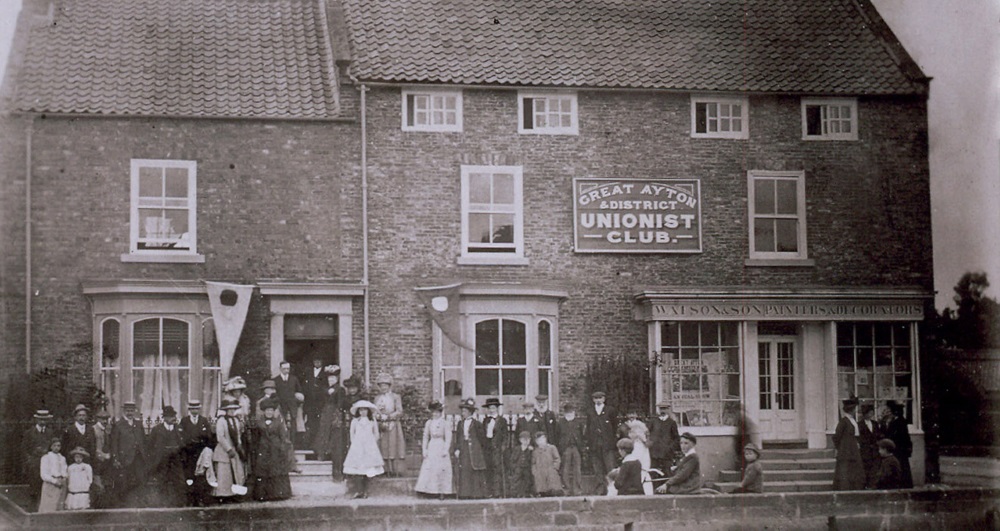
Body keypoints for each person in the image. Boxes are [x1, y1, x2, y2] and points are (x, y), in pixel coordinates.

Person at [251, 398, 293, 501]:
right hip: (263, 450)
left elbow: (283, 437)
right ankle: (262, 495)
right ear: (263, 411)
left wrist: (282, 449)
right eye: (267, 410)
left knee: (276, 470)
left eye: (271, 410)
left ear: (274, 412)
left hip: (276, 450)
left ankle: (278, 494)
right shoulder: (258, 423)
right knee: (263, 471)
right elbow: (255, 438)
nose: (269, 412)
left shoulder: (278, 423)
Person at [342, 399, 384, 499]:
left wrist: (371, 443)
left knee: (369, 469)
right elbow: (352, 434)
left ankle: (366, 491)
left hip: (369, 447)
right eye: (361, 410)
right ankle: (359, 491)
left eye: (365, 410)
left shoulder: (372, 421)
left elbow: (376, 434)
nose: (363, 412)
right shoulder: (355, 421)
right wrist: (356, 444)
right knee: (358, 469)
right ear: (358, 412)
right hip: (358, 447)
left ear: (368, 411)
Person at [109, 401, 146, 507]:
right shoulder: (118, 425)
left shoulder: (138, 424)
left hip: (138, 457)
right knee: (124, 480)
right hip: (125, 457)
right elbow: (114, 443)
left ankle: (140, 502)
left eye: (132, 410)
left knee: (141, 479)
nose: (130, 413)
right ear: (124, 411)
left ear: (135, 411)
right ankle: (124, 503)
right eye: (128, 410)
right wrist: (115, 458)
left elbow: (143, 439)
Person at [178, 399, 215, 507]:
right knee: (190, 476)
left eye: (196, 409)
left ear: (199, 410)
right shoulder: (184, 421)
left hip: (201, 452)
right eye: (192, 409)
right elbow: (182, 437)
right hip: (189, 453)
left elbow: (208, 436)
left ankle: (200, 499)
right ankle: (190, 500)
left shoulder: (204, 421)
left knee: (200, 477)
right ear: (189, 410)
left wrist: (202, 443)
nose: (194, 411)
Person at [414, 401, 454, 498]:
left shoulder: (445, 423)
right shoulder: (429, 423)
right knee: (429, 468)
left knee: (441, 468)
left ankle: (442, 491)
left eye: (437, 412)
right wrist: (424, 449)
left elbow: (448, 437)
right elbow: (425, 437)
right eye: (433, 412)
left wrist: (445, 449)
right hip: (432, 445)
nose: (434, 414)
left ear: (440, 413)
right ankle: (428, 490)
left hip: (440, 445)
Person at [148, 406, 186, 506]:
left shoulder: (178, 429)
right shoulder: (157, 430)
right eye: (169, 416)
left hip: (176, 460)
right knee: (162, 482)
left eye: (173, 416)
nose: (173, 418)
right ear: (164, 418)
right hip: (162, 461)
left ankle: (179, 504)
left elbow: (183, 444)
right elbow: (150, 446)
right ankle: (162, 505)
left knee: (179, 482)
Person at [452, 398, 487, 499]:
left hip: (475, 449)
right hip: (464, 448)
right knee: (465, 470)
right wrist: (457, 449)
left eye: (465, 411)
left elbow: (482, 438)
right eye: (462, 411)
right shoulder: (460, 424)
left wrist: (480, 449)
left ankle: (476, 494)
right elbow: (458, 437)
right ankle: (464, 493)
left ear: (470, 412)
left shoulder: (477, 424)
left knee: (475, 470)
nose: (463, 413)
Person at [213, 397, 248, 500]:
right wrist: (228, 449)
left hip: (235, 449)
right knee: (225, 474)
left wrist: (239, 445)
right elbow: (220, 437)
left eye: (233, 409)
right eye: (229, 409)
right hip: (224, 450)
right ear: (226, 410)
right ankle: (223, 495)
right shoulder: (221, 421)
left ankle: (235, 495)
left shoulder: (236, 421)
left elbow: (238, 435)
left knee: (237, 472)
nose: (232, 411)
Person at [315, 366, 347, 478]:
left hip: (334, 412)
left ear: (337, 379)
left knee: (334, 434)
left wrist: (337, 414)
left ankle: (334, 460)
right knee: (323, 432)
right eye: (329, 379)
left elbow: (340, 403)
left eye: (333, 379)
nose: (331, 381)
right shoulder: (324, 389)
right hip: (325, 412)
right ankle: (322, 454)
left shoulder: (340, 389)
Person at [585, 391, 618, 494]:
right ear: (593, 400)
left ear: (604, 399)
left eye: (600, 398)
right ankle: (601, 488)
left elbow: (615, 426)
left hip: (607, 444)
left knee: (610, 467)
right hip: (595, 444)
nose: (598, 400)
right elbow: (589, 427)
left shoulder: (610, 410)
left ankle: (612, 488)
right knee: (597, 468)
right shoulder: (590, 411)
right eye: (596, 398)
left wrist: (611, 441)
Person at [373, 373, 406, 477]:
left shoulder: (396, 397)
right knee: (383, 446)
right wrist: (379, 416)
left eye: (385, 385)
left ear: (389, 386)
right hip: (381, 425)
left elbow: (399, 411)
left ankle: (395, 469)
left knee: (393, 445)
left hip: (393, 425)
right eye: (381, 385)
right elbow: (374, 411)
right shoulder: (377, 398)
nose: (383, 387)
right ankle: (384, 469)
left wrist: (389, 416)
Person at [23, 409, 54, 511]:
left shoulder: (50, 433)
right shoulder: (29, 433)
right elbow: (24, 449)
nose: (42, 422)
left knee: (45, 487)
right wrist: (30, 461)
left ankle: (44, 509)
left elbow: (53, 448)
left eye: (45, 420)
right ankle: (32, 509)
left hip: (47, 464)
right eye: (40, 419)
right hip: (34, 465)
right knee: (34, 488)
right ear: (36, 420)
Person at [832, 397, 865, 491]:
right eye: (855, 409)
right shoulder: (843, 421)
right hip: (846, 450)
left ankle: (855, 488)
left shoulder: (853, 420)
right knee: (845, 470)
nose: (856, 410)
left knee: (854, 469)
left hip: (854, 449)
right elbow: (836, 437)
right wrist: (841, 447)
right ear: (851, 409)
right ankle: (845, 489)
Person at [555, 403, 585, 496]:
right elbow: (557, 436)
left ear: (574, 412)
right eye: (568, 412)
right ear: (564, 413)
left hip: (576, 447)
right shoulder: (560, 423)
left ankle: (577, 490)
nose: (570, 414)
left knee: (577, 469)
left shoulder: (578, 422)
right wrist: (560, 447)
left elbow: (581, 435)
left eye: (571, 412)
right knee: (565, 469)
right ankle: (566, 489)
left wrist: (581, 447)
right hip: (566, 448)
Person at [481, 397, 508, 498]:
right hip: (488, 448)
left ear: (497, 408)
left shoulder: (502, 420)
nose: (491, 410)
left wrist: (503, 447)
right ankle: (489, 492)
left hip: (497, 448)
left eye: (493, 408)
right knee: (489, 469)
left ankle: (498, 492)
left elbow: (505, 435)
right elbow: (483, 435)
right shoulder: (486, 420)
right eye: (490, 408)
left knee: (497, 470)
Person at [273, 361, 304, 446]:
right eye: (284, 369)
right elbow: (274, 395)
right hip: (281, 407)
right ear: (280, 369)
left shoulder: (294, 379)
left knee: (293, 427)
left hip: (293, 407)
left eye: (288, 368)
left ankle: (292, 446)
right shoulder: (276, 380)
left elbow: (299, 392)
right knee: (282, 426)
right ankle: (283, 446)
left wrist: (297, 401)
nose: (286, 370)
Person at [883, 401, 914, 488]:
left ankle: (902, 484)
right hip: (900, 448)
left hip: (899, 449)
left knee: (900, 466)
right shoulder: (898, 421)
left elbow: (896, 435)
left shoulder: (899, 422)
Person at [302, 356, 328, 449]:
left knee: (319, 423)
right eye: (315, 361)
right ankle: (308, 444)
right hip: (309, 403)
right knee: (309, 423)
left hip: (320, 403)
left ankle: (318, 445)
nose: (317, 363)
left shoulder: (325, 372)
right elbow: (304, 385)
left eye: (319, 361)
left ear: (322, 362)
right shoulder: (308, 371)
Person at [649, 402, 681, 477]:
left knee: (667, 473)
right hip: (654, 453)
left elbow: (676, 438)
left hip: (666, 454)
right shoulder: (653, 421)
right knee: (653, 473)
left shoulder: (671, 423)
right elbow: (647, 433)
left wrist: (670, 448)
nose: (662, 411)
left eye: (664, 409)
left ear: (668, 409)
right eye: (661, 409)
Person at [38, 438, 67, 513]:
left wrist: (64, 478)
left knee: (59, 506)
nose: (57, 448)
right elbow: (44, 474)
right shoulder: (46, 457)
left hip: (61, 484)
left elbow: (64, 470)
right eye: (54, 445)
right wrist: (54, 481)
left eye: (58, 446)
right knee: (48, 507)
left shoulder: (62, 458)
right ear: (51, 446)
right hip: (50, 484)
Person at [91, 409, 112, 508]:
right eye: (102, 419)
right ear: (98, 419)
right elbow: (94, 447)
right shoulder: (94, 429)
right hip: (98, 461)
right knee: (98, 485)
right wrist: (103, 455)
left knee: (106, 484)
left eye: (106, 419)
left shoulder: (107, 430)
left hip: (106, 462)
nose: (104, 421)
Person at [531, 432, 563, 497]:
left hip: (550, 471)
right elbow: (533, 463)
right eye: (539, 440)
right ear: (536, 442)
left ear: (545, 439)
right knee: (542, 489)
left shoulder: (552, 448)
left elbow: (557, 459)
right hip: (540, 472)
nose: (541, 441)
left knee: (553, 489)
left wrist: (554, 468)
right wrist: (535, 471)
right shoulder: (535, 451)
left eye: (542, 439)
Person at [858, 403, 881, 489]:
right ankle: (865, 485)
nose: (871, 414)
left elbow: (878, 435)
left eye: (872, 412)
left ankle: (872, 484)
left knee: (874, 468)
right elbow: (860, 438)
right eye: (869, 412)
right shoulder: (859, 424)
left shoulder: (875, 423)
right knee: (865, 467)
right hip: (865, 450)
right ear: (865, 413)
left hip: (875, 450)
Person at [505, 431, 534, 498]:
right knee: (516, 480)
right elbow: (512, 459)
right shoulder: (517, 449)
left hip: (527, 468)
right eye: (524, 439)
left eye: (528, 439)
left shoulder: (531, 449)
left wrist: (531, 450)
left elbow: (532, 460)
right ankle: (514, 494)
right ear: (520, 440)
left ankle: (526, 493)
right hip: (518, 467)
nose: (526, 441)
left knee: (527, 480)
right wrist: (514, 467)